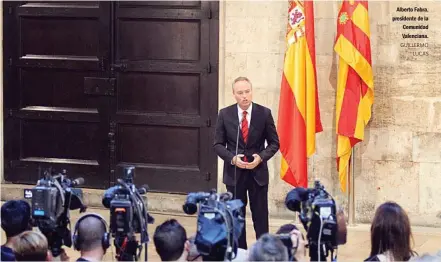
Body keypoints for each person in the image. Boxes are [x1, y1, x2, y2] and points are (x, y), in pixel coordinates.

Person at [213, 76, 280, 249]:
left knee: (260, 218)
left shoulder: (264, 113)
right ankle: (239, 253)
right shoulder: (224, 114)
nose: (244, 96)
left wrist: (261, 157)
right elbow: (218, 145)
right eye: (240, 93)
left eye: (247, 92)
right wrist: (232, 158)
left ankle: (263, 254)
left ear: (252, 91)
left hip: (258, 174)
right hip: (235, 174)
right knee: (236, 218)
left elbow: (274, 143)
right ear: (234, 94)